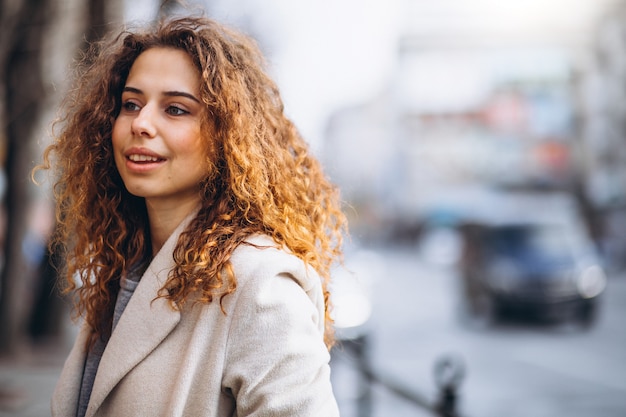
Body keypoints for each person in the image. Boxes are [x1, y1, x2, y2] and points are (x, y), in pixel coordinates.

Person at [38, 15, 347, 417]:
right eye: (131, 104)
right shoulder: (126, 266)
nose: (141, 123)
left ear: (227, 136)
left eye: (176, 109)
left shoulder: (261, 286)